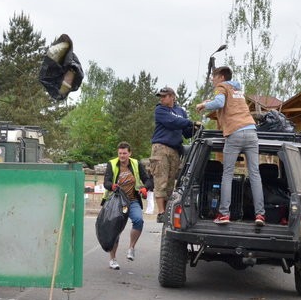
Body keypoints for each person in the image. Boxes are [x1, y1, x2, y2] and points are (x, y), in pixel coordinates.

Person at [195, 66, 265, 226]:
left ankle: (224, 214)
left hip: (235, 132)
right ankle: (260, 215)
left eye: (214, 77)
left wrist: (203, 106)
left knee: (227, 173)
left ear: (220, 77)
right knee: (255, 174)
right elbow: (229, 102)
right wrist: (207, 102)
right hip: (252, 132)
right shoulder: (237, 88)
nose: (213, 80)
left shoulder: (221, 87)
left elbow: (220, 102)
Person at [102, 142, 153, 270]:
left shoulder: (136, 164)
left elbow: (148, 180)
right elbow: (106, 182)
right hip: (117, 202)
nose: (122, 156)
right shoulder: (112, 164)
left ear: (129, 153)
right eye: (120, 153)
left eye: (124, 153)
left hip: (132, 200)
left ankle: (131, 248)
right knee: (115, 229)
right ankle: (112, 259)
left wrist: (145, 188)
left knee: (138, 220)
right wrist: (111, 186)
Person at [150, 86, 197, 222]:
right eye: (161, 96)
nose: (162, 99)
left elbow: (185, 131)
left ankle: (168, 211)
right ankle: (161, 212)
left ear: (172, 96)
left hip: (175, 149)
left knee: (171, 183)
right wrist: (189, 122)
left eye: (164, 96)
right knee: (161, 180)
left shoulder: (181, 111)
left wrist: (194, 128)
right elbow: (172, 122)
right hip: (161, 148)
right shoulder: (160, 110)